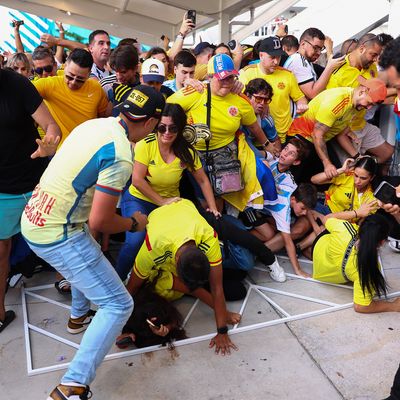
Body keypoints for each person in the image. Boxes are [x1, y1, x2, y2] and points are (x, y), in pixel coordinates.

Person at [21, 85, 165, 399]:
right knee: (118, 304)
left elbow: (70, 167)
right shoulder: (121, 155)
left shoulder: (93, 125)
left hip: (36, 219)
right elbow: (101, 222)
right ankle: (73, 385)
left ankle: (77, 318)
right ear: (153, 123)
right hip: (58, 233)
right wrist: (133, 223)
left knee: (89, 261)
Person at [116, 103, 218, 280]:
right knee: (135, 240)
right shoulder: (146, 144)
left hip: (169, 203)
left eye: (173, 128)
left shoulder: (186, 151)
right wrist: (161, 201)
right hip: (139, 199)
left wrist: (213, 207)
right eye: (162, 127)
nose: (167, 132)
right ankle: (118, 279)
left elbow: (202, 180)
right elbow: (137, 180)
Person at [126, 199, 240, 356]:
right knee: (235, 290)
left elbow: (215, 287)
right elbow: (131, 288)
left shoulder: (208, 237)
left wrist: (222, 329)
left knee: (235, 288)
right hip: (164, 218)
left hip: (183, 209)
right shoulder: (152, 250)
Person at [0, 68, 61, 333]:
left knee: (63, 235)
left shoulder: (16, 83)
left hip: (37, 182)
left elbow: (51, 125)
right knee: (1, 250)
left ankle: (73, 292)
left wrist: (49, 143)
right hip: (2, 191)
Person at [287, 78, 387, 182]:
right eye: (369, 103)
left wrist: (357, 154)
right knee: (294, 179)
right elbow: (317, 135)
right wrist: (327, 163)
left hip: (318, 139)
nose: (369, 108)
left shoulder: (357, 104)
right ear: (362, 92)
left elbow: (340, 127)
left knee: (337, 174)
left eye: (373, 105)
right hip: (301, 137)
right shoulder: (337, 102)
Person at [327, 33, 393, 165]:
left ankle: (367, 167)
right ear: (361, 49)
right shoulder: (341, 71)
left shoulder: (370, 66)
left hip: (362, 124)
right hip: (344, 130)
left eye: (377, 56)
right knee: (351, 171)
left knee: (387, 152)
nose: (375, 60)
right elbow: (332, 114)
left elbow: (379, 90)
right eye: (373, 55)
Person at [311, 214, 400, 312]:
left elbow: (326, 218)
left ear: (361, 226)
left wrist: (357, 212)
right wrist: (393, 306)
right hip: (324, 275)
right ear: (382, 242)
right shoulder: (367, 267)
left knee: (327, 228)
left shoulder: (345, 229)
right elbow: (361, 306)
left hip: (317, 249)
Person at [33, 48, 110, 146]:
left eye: (80, 80)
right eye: (69, 76)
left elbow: (103, 118)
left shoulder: (96, 88)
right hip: (60, 150)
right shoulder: (50, 84)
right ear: (64, 66)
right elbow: (21, 91)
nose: (73, 82)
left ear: (89, 74)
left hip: (88, 147)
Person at [239, 36, 308, 143]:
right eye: (272, 57)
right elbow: (238, 99)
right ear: (261, 55)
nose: (276, 61)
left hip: (283, 136)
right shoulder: (246, 73)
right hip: (255, 136)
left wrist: (302, 105)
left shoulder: (287, 75)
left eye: (279, 57)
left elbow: (300, 98)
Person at [283, 28, 346, 100]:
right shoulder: (298, 61)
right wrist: (329, 67)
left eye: (321, 49)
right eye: (315, 48)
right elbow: (312, 94)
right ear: (303, 44)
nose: (319, 52)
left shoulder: (304, 61)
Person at [311, 155, 378, 220]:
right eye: (356, 175)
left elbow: (361, 223)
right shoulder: (348, 176)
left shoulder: (372, 198)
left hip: (342, 224)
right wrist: (341, 170)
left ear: (372, 178)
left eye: (363, 178)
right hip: (325, 207)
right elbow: (314, 180)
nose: (357, 181)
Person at [242, 78, 281, 155]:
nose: (262, 103)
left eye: (266, 100)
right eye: (258, 98)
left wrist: (276, 154)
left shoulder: (265, 119)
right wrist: (264, 155)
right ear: (248, 95)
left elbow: (276, 142)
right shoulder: (236, 113)